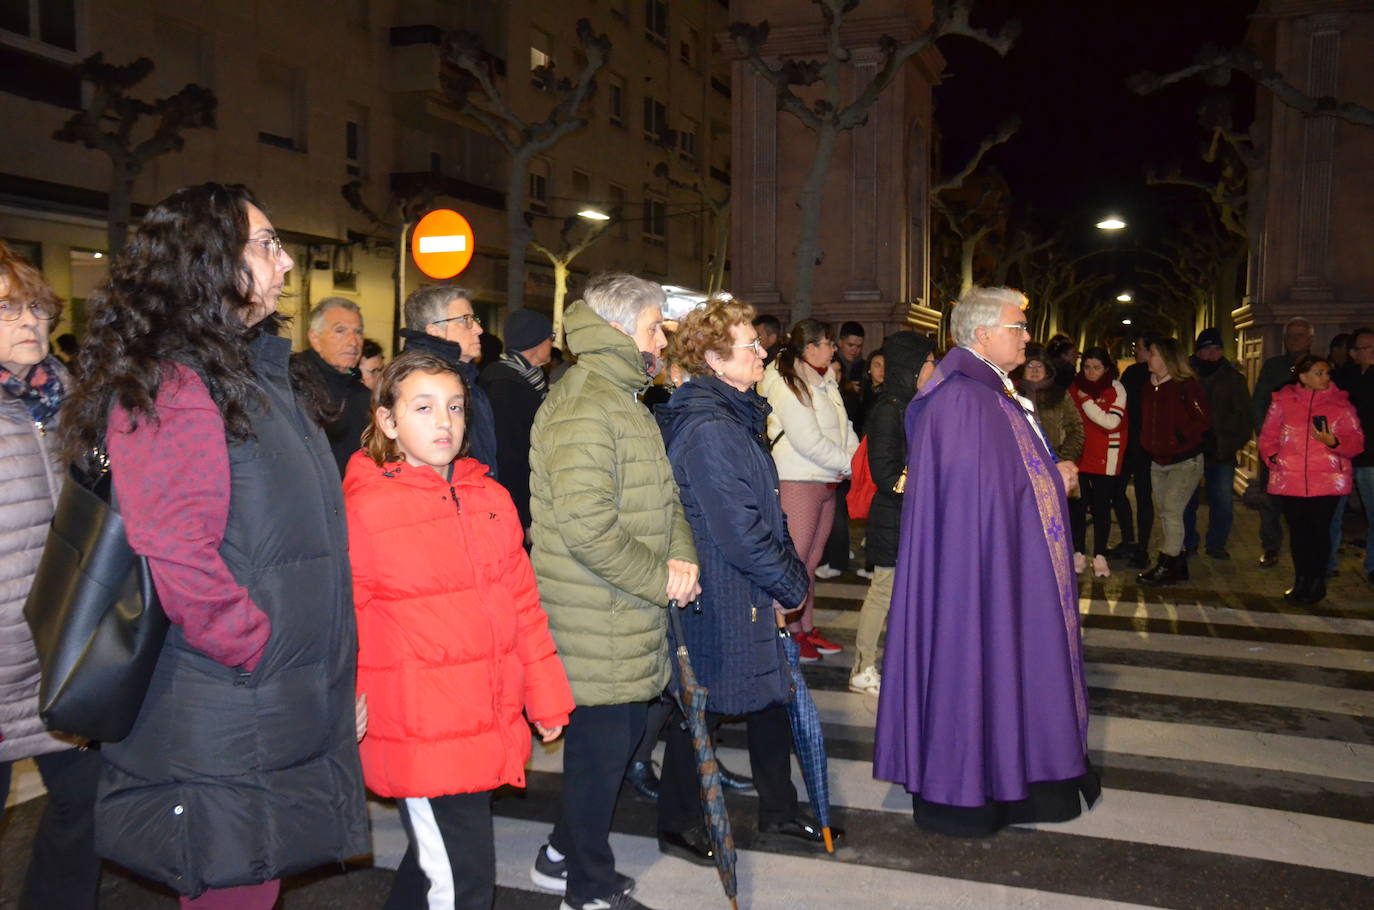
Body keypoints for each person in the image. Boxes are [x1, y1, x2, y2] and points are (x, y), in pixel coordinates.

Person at [62, 183, 368, 907]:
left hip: (269, 694)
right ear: (207, 262)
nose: (286, 263)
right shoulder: (177, 382)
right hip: (229, 699)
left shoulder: (253, 374)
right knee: (236, 888)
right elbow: (176, 548)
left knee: (254, 883)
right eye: (266, 245)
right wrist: (251, 643)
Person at [345, 350, 574, 909]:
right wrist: (338, 703)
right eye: (423, 408)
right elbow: (339, 621)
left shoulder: (488, 498)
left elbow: (523, 606)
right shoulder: (366, 509)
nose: (444, 422)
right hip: (418, 727)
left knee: (434, 870)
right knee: (463, 881)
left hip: (482, 715)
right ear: (388, 422)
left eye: (454, 407)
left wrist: (546, 699)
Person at [874, 286, 1098, 837]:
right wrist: (1053, 477)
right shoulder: (963, 399)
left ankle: (1017, 767)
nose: (1026, 336)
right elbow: (982, 496)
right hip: (974, 575)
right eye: (1017, 327)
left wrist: (1048, 473)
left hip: (997, 562)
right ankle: (971, 783)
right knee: (975, 659)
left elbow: (1001, 478)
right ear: (981, 335)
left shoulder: (986, 390)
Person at [526, 273, 698, 910]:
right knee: (599, 759)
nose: (664, 338)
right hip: (593, 613)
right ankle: (586, 888)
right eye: (656, 326)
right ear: (623, 330)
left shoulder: (624, 398)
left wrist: (680, 555)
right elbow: (587, 529)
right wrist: (661, 579)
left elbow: (666, 499)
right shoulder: (585, 405)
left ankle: (559, 854)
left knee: (622, 740)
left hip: (627, 609)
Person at [653, 298, 835, 864]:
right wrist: (791, 584)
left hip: (743, 586)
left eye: (760, 343)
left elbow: (764, 506)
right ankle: (679, 822)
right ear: (712, 357)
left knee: (769, 697)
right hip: (722, 592)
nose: (762, 352)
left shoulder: (735, 413)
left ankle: (777, 810)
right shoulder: (711, 427)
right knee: (702, 707)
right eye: (749, 345)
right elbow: (737, 530)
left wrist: (782, 578)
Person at [0, 241, 103, 909]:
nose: (31, 320)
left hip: (58, 647)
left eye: (37, 306)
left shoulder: (66, 398)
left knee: (87, 806)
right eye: (10, 308)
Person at [759, 319, 858, 662]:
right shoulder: (787, 383)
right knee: (794, 562)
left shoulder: (826, 381)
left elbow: (844, 427)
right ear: (810, 348)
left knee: (811, 562)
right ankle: (784, 632)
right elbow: (807, 441)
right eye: (828, 343)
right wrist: (849, 465)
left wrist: (851, 459)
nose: (834, 349)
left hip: (826, 478)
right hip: (799, 479)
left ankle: (805, 628)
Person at [849, 332, 935, 696]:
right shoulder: (889, 409)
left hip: (910, 518)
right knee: (882, 590)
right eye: (929, 362)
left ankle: (897, 660)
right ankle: (862, 667)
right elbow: (886, 476)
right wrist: (928, 476)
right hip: (893, 518)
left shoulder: (912, 404)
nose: (934, 368)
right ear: (911, 367)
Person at [1258, 355, 1363, 604]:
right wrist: (1275, 459)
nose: (1325, 377)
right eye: (1319, 372)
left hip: (1327, 480)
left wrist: (1334, 442)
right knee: (1298, 532)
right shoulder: (1282, 402)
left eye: (1327, 372)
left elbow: (1357, 442)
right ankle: (1301, 580)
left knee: (1319, 532)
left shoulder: (1341, 405)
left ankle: (1317, 581)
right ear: (1303, 377)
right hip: (1290, 479)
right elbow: (1268, 436)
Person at [399, 286, 498, 479]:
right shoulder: (412, 381)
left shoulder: (469, 380)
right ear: (434, 330)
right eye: (465, 321)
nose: (478, 329)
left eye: (474, 320)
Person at [1136, 337, 1212, 587]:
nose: (1149, 358)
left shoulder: (1186, 385)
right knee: (1165, 512)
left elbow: (1203, 420)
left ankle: (1166, 563)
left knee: (1171, 511)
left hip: (1184, 461)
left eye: (1154, 353)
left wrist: (1178, 438)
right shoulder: (1149, 385)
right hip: (1157, 460)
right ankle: (1178, 563)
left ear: (1168, 359)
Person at [1012, 345, 1086, 568]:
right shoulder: (1012, 395)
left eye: (1039, 365)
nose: (1034, 370)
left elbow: (1076, 429)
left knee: (1054, 524)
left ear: (1047, 368)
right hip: (1022, 473)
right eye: (1030, 365)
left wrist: (1063, 459)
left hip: (1055, 469)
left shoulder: (1060, 395)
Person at [481, 309, 555, 529]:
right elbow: (511, 454)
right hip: (513, 498)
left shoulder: (528, 380)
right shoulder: (505, 386)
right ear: (536, 343)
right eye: (549, 338)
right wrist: (524, 514)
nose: (552, 344)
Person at [1183, 328, 1252, 559]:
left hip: (1221, 449)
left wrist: (1232, 443)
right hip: (1190, 449)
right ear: (1199, 351)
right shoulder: (1185, 376)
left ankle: (1216, 543)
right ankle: (1188, 541)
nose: (1212, 354)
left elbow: (1244, 415)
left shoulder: (1233, 378)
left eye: (1217, 349)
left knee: (1222, 500)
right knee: (1187, 500)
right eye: (1207, 349)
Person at [1251, 317, 1314, 568]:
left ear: (1309, 339)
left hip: (1306, 450)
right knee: (1270, 500)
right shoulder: (1273, 366)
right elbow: (1259, 402)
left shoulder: (1319, 366)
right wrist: (1265, 435)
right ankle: (1271, 546)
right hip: (1276, 446)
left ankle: (1306, 550)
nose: (1293, 340)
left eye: (1299, 336)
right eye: (1290, 336)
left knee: (1303, 504)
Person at [1066, 347, 1128, 579]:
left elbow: (1111, 422)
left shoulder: (1116, 389)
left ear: (1106, 368)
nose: (1091, 372)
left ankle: (1100, 553)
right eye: (1087, 367)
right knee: (1078, 508)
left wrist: (1085, 402)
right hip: (1079, 457)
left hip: (1106, 459)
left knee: (1102, 508)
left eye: (1096, 367)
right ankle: (1078, 551)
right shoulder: (1073, 388)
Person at [294, 296, 372, 475]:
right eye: (340, 331)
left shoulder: (364, 395)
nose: (353, 341)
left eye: (358, 332)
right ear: (315, 338)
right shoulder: (293, 385)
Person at [1110, 332, 1158, 568]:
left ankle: (1135, 542)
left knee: (1127, 493)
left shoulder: (1144, 375)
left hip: (1136, 444)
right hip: (1140, 445)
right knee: (1139, 496)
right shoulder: (1142, 375)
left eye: (1139, 347)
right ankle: (1138, 545)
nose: (1136, 351)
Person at [1334, 328, 1374, 585]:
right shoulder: (1341, 378)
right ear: (1353, 353)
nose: (1371, 352)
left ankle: (1373, 567)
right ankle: (1326, 563)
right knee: (1332, 514)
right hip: (1342, 455)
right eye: (1366, 347)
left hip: (1372, 457)